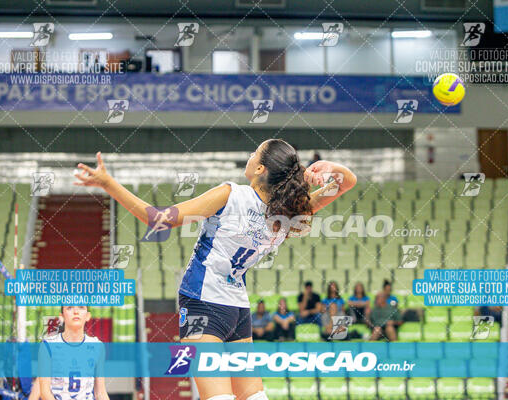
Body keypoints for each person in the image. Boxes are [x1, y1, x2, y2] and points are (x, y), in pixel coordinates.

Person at [74, 139, 356, 400]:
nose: (249, 156)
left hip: (202, 303)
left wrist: (108, 184)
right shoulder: (286, 214)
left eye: (254, 153)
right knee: (254, 397)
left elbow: (158, 219)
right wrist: (331, 168)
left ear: (260, 168)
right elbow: (346, 183)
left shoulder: (231, 194)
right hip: (237, 309)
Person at [38, 306, 109, 400]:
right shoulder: (47, 346)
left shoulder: (97, 346)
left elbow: (100, 392)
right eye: (70, 307)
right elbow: (45, 393)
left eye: (81, 307)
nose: (76, 311)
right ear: (61, 316)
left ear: (88, 316)